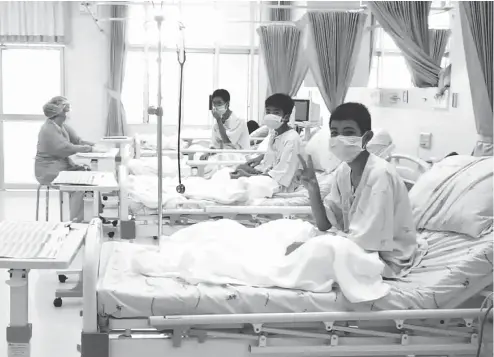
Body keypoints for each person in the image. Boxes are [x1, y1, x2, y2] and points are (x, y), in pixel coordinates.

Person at [289, 102, 422, 279]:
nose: (340, 138)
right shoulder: (343, 171)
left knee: (304, 255)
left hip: (385, 257)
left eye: (349, 132)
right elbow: (325, 224)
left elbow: (367, 243)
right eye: (335, 133)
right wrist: (313, 188)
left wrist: (314, 246)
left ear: (366, 138)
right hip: (358, 246)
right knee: (294, 241)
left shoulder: (380, 175)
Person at [35, 96, 94, 222]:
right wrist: (88, 149)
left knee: (89, 174)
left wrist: (95, 145)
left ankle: (95, 218)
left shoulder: (62, 126)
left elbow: (78, 141)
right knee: (79, 187)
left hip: (62, 166)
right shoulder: (48, 130)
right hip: (48, 171)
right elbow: (66, 148)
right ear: (58, 112)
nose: (67, 114)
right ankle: (76, 223)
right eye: (65, 111)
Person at [231, 93, 302, 193]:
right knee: (239, 169)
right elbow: (275, 154)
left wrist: (248, 176)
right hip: (267, 174)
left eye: (276, 113)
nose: (270, 116)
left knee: (241, 183)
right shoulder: (275, 132)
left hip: (278, 184)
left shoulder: (292, 139)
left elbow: (281, 175)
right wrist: (260, 158)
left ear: (286, 116)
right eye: (268, 112)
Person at [201, 89, 250, 160]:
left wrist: (218, 120)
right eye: (214, 104)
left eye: (219, 103)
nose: (216, 106)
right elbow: (215, 145)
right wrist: (208, 153)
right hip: (222, 156)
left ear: (227, 104)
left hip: (238, 157)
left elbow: (227, 142)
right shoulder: (216, 125)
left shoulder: (239, 121)